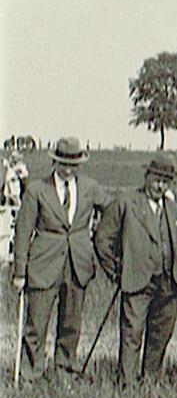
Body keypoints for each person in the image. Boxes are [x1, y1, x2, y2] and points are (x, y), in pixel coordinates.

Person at [10, 137, 110, 380]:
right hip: (43, 265)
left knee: (71, 323)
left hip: (78, 264)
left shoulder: (90, 187)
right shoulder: (37, 189)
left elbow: (114, 209)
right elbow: (22, 232)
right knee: (37, 324)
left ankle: (65, 371)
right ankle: (31, 374)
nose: (67, 169)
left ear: (80, 164)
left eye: (73, 164)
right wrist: (20, 272)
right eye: (63, 163)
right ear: (54, 162)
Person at [95, 156, 177, 382]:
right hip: (138, 281)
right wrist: (117, 272)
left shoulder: (172, 206)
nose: (160, 186)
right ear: (147, 177)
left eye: (166, 182)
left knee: (160, 334)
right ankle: (126, 383)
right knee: (132, 334)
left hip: (169, 282)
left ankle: (150, 380)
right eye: (157, 180)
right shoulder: (127, 202)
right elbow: (102, 239)